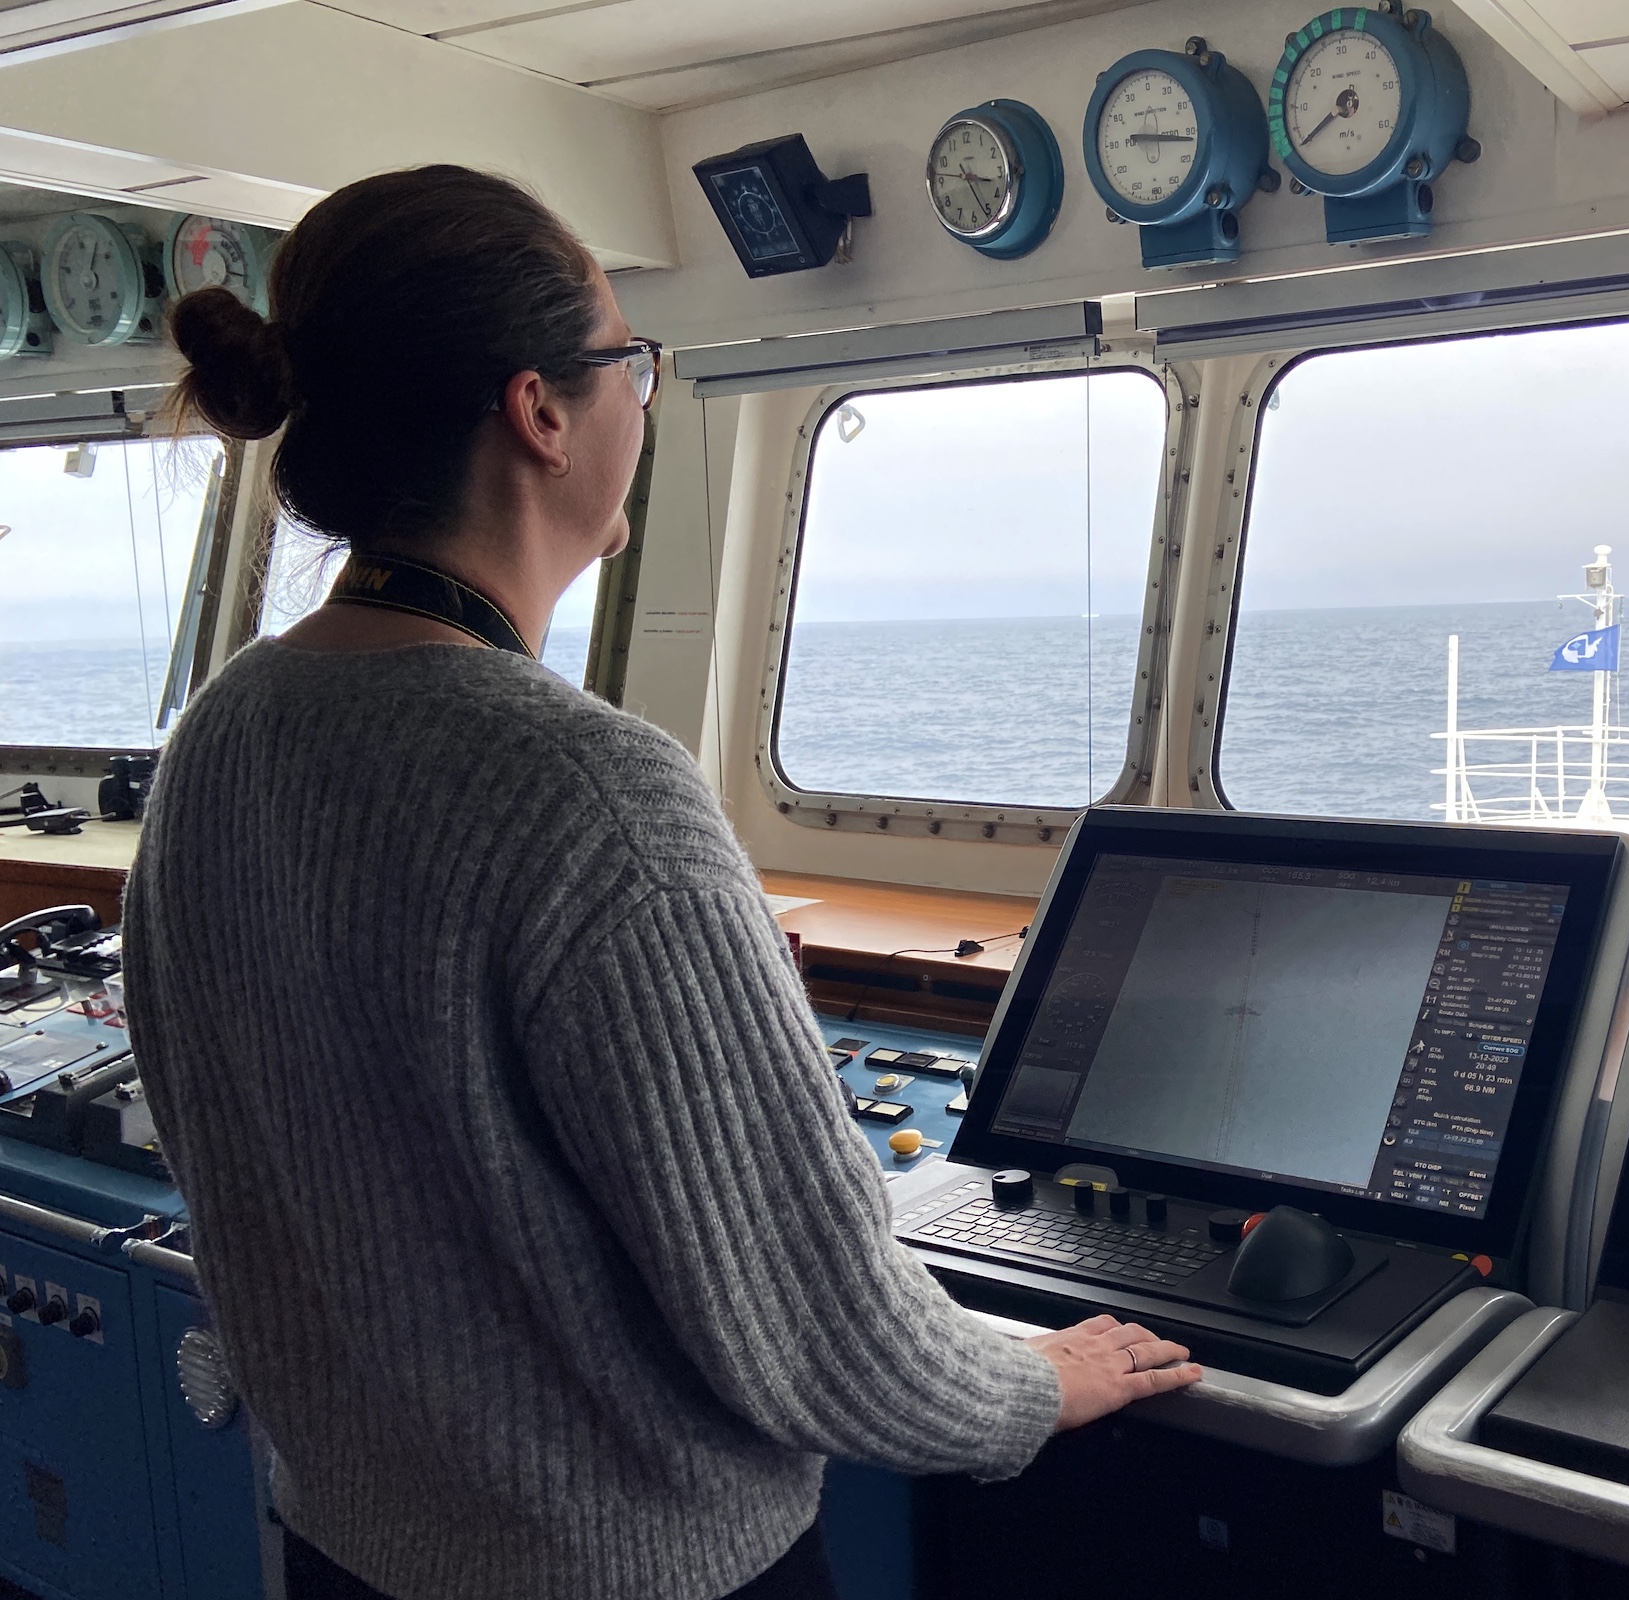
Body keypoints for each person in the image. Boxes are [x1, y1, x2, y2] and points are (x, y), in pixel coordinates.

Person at [123, 165, 1201, 1600]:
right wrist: (1033, 1386)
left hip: (348, 1554)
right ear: (541, 412)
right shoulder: (591, 795)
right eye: (632, 359)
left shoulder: (221, 733)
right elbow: (822, 1330)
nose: (648, 395)